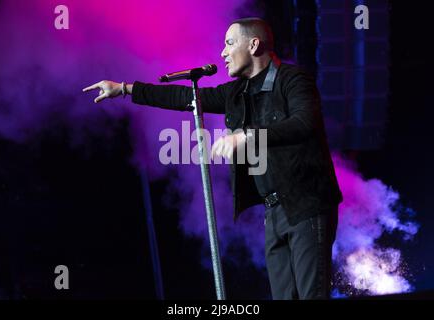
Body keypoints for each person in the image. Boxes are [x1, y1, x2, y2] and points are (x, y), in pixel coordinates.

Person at [83, 17, 343, 300]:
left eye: (229, 43)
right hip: (274, 211)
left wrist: (247, 137)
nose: (222, 53)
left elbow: (305, 123)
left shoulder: (292, 81)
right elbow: (185, 96)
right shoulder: (237, 92)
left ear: (254, 44)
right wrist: (124, 88)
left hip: (307, 204)